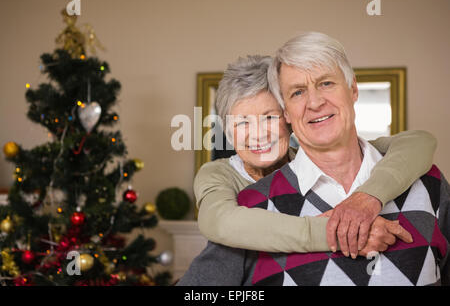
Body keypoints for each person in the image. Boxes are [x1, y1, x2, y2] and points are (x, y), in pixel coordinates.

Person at [178, 32, 449, 286]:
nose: (315, 102)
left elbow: (417, 142)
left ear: (353, 89)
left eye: (326, 83)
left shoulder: (423, 179)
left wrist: (366, 199)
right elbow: (218, 225)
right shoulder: (244, 201)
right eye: (297, 92)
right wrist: (340, 231)